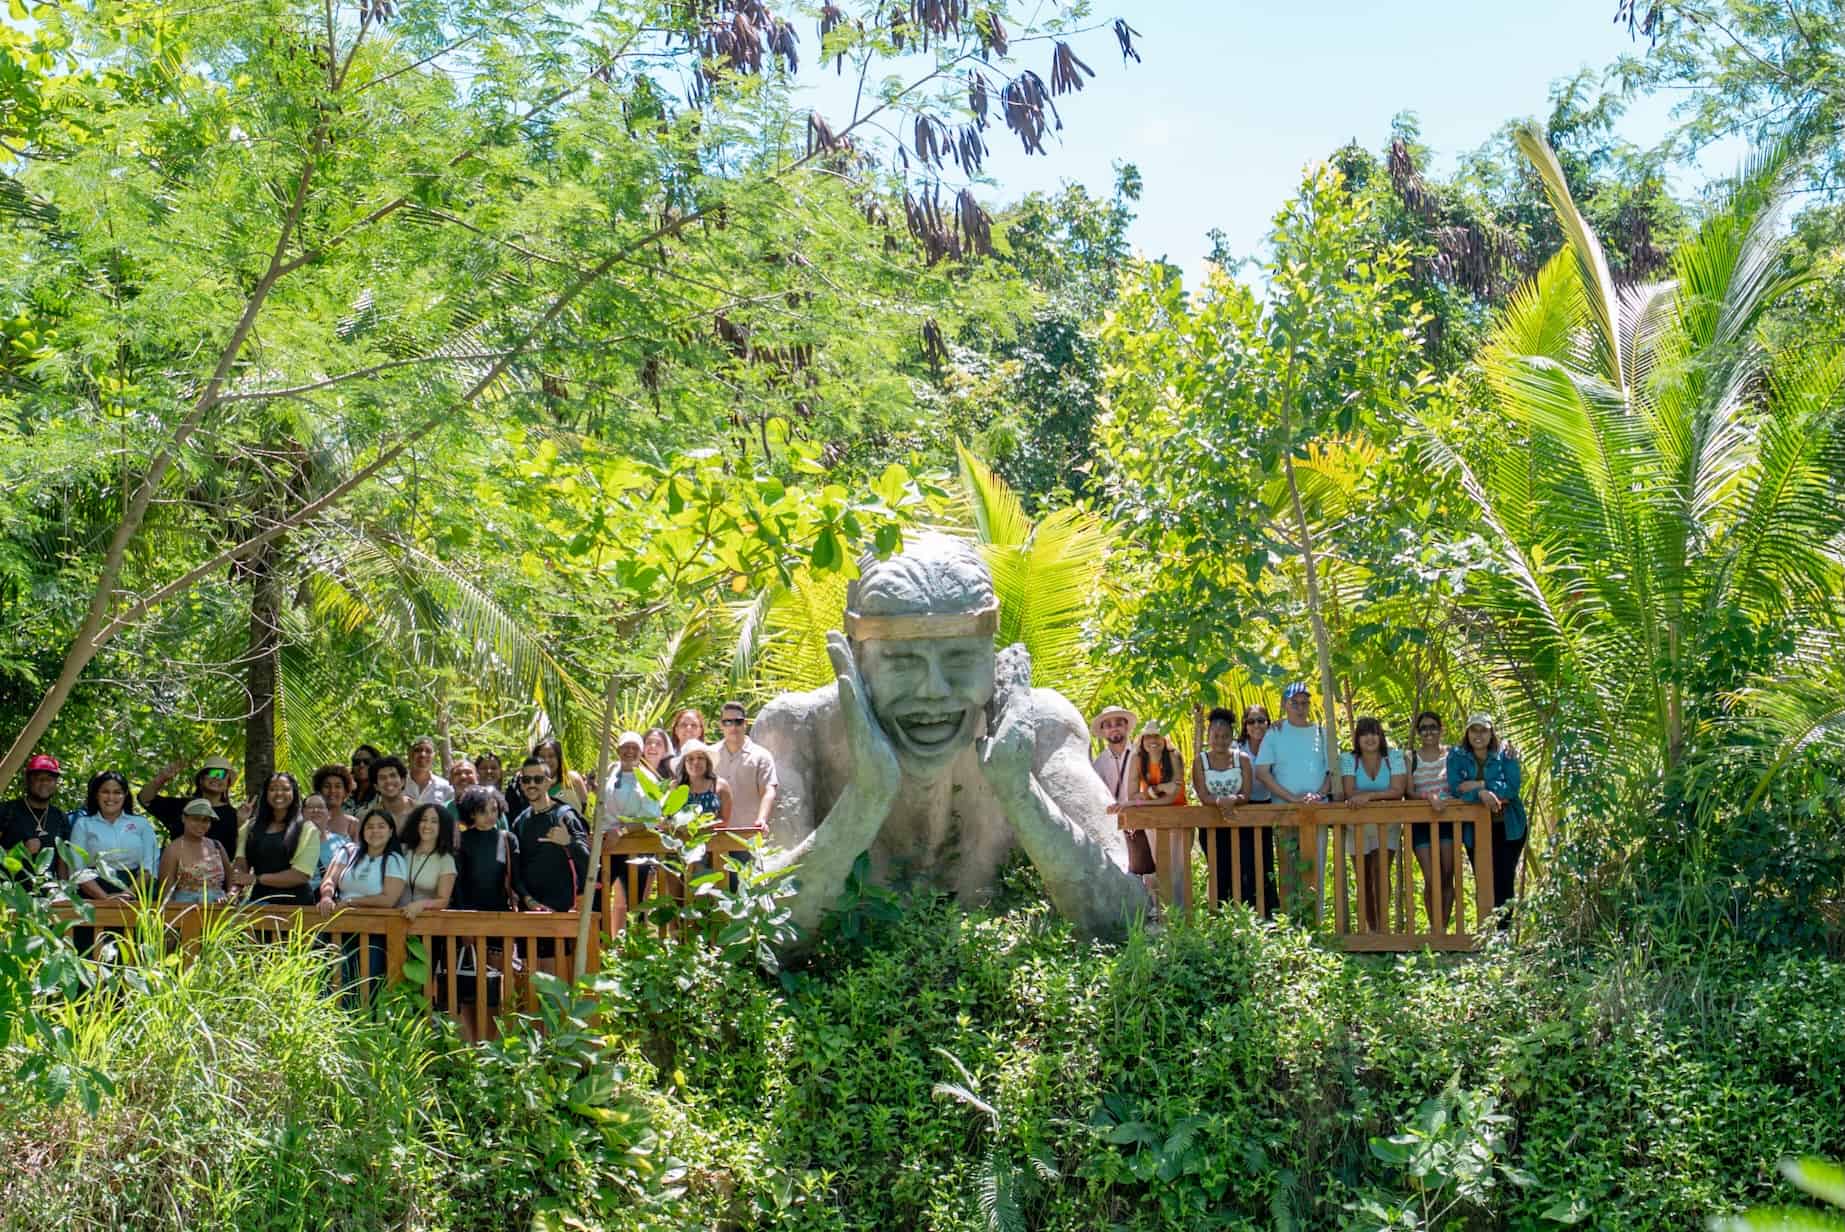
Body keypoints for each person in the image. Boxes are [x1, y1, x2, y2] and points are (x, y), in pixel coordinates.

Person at [753, 533, 1147, 945]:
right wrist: (863, 804)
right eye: (902, 661)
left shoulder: (1041, 727)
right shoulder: (797, 728)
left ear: (991, 654)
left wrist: (1020, 795)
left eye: (960, 658)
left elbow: (1125, 919)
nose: (935, 690)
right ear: (854, 657)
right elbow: (766, 936)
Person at [1253, 682, 1333, 907]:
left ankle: (1315, 924)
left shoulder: (1321, 733)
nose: (1300, 707)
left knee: (1316, 867)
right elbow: (1262, 772)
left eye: (1304, 703)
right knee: (1288, 869)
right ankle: (1290, 925)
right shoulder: (1275, 733)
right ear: (1285, 705)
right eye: (1294, 703)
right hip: (1285, 811)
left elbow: (1331, 771)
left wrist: (1318, 795)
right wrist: (1291, 798)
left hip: (1316, 811)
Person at [450, 786, 520, 1040]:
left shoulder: (506, 838)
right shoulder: (462, 840)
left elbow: (516, 880)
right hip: (469, 919)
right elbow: (457, 885)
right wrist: (465, 919)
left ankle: (494, 1041)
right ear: (471, 813)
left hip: (499, 919)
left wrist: (531, 901)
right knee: (468, 984)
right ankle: (471, 1042)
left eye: (493, 809)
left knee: (497, 985)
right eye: (482, 811)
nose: (489, 815)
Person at [317, 807, 407, 999]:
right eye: (370, 826)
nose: (375, 831)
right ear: (362, 830)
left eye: (381, 826)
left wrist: (351, 902)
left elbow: (388, 899)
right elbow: (329, 880)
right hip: (339, 927)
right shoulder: (349, 851)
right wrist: (326, 896)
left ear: (391, 831)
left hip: (374, 932)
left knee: (365, 985)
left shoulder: (395, 860)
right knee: (332, 983)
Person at [1447, 714, 1526, 927]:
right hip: (1476, 828)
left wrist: (1477, 785)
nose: (1478, 735)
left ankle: (1503, 933)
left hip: (1508, 826)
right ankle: (1487, 932)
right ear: (1467, 733)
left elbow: (1511, 789)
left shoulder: (1505, 754)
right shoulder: (1456, 756)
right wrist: (1483, 794)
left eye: (1483, 730)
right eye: (1474, 730)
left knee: (1504, 879)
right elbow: (1456, 788)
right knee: (1483, 879)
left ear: (1491, 733)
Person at [1340, 716, 1408, 932]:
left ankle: (1383, 926)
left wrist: (1368, 797)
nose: (1370, 738)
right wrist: (1381, 794)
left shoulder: (1394, 757)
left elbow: (1398, 792)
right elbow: (1349, 791)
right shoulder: (1349, 759)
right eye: (1364, 733)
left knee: (1380, 872)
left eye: (1374, 733)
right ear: (1357, 738)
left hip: (1386, 825)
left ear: (1381, 736)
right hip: (1357, 827)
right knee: (1363, 876)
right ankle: (1372, 929)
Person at [1192, 707, 1260, 908]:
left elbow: (1246, 794)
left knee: (1246, 870)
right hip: (1212, 825)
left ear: (1232, 737)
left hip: (1242, 824)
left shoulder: (1243, 759)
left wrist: (1232, 800)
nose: (1220, 741)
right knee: (1219, 872)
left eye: (1225, 736)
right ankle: (1220, 920)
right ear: (1208, 736)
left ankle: (1248, 917)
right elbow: (1203, 795)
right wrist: (1221, 802)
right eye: (1216, 736)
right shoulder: (1200, 761)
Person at [1108, 720, 1185, 890]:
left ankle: (1181, 914)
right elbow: (1132, 794)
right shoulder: (1137, 759)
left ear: (1164, 738)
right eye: (1147, 736)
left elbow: (1171, 799)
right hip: (1152, 820)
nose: (1153, 741)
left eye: (1157, 736)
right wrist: (1159, 788)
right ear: (1142, 740)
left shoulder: (1174, 756)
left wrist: (1145, 797)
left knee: (1179, 870)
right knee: (1161, 867)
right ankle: (1163, 913)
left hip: (1179, 819)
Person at [508, 757, 590, 915]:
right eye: (526, 780)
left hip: (564, 913)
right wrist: (527, 899)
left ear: (548, 782)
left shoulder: (565, 816)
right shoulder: (520, 822)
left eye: (538, 779)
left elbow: (588, 863)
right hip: (531, 912)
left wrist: (568, 842)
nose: (532, 784)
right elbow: (515, 870)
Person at [69, 771, 161, 901]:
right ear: (96, 795)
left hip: (137, 891)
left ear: (125, 795)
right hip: (93, 893)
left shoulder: (141, 824)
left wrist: (127, 894)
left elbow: (150, 867)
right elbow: (77, 869)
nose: (111, 797)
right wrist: (104, 897)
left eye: (117, 792)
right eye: (105, 792)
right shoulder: (83, 824)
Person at [231, 772, 318, 905]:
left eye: (285, 789)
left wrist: (256, 879)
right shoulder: (250, 827)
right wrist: (234, 891)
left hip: (296, 906)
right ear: (265, 794)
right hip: (258, 903)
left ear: (294, 793)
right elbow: (241, 866)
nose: (279, 793)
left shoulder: (308, 828)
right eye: (273, 789)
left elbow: (301, 875)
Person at [1407, 711, 1459, 929]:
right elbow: (1408, 792)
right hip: (1421, 824)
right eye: (1423, 728)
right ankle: (1434, 928)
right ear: (1418, 733)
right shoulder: (1411, 758)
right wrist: (1429, 797)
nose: (1428, 732)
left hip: (1448, 822)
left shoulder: (1452, 755)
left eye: (1433, 727)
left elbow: (1460, 782)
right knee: (1431, 877)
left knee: (1447, 875)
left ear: (1441, 729)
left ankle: (1443, 930)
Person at [137, 755, 239, 854]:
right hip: (176, 867)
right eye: (213, 773)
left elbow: (233, 852)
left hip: (215, 869)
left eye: (222, 774)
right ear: (201, 779)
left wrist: (241, 824)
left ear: (228, 783)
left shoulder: (234, 815)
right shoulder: (180, 806)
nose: (217, 778)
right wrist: (161, 778)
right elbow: (145, 799)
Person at [1, 754, 71, 874]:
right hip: (10, 889)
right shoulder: (7, 811)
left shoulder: (60, 817)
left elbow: (62, 862)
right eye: (38, 778)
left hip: (47, 890)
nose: (44, 783)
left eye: (49, 779)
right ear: (28, 780)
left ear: (56, 783)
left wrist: (64, 890)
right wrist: (20, 851)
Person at [714, 701, 777, 830]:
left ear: (745, 724)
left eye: (738, 721)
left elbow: (768, 791)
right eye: (727, 722)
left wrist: (762, 819)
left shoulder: (761, 756)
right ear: (721, 725)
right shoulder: (709, 755)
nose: (733, 727)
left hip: (747, 834)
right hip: (713, 835)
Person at [159, 798, 236, 905]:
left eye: (205, 820)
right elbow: (166, 892)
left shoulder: (217, 846)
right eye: (195, 819)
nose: (200, 824)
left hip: (218, 906)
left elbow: (231, 877)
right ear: (184, 818)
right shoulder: (173, 849)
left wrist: (231, 895)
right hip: (185, 908)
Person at [398, 804, 456, 919]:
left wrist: (422, 905)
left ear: (442, 827)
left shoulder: (446, 860)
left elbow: (443, 901)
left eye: (434, 821)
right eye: (423, 820)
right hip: (393, 918)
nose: (427, 825)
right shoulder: (402, 850)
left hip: (425, 925)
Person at [600, 732, 663, 827]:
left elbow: (651, 817)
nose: (630, 751)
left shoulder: (648, 780)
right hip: (606, 836)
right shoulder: (611, 770)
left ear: (641, 753)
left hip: (635, 838)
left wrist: (622, 832)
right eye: (626, 746)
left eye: (635, 748)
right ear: (618, 750)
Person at [673, 739, 732, 822]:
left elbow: (724, 821)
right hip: (680, 834)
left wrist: (700, 827)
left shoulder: (721, 785)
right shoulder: (675, 786)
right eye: (690, 759)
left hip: (712, 834)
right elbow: (668, 817)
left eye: (700, 758)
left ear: (707, 762)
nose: (696, 762)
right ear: (684, 764)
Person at [303, 791, 355, 884]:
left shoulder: (344, 844)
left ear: (329, 814)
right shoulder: (292, 844)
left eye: (320, 807)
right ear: (302, 813)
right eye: (310, 807)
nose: (316, 810)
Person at [1089, 705, 1137, 804]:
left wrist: (1136, 803)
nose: (1114, 728)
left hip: (1140, 812)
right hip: (1113, 817)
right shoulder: (1099, 764)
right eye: (1108, 726)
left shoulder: (1140, 754)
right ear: (1103, 731)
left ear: (1126, 726)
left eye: (1118, 724)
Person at [531, 737, 589, 813]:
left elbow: (584, 807)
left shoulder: (572, 779)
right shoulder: (531, 785)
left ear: (559, 759)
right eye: (542, 757)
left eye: (551, 756)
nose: (546, 760)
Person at [405, 736, 454, 807]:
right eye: (418, 750)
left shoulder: (446, 788)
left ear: (434, 756)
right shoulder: (398, 785)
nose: (423, 755)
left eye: (428, 751)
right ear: (410, 754)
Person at [367, 756, 415, 827]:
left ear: (403, 781)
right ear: (376, 786)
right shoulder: (368, 817)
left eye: (393, 775)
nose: (388, 781)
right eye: (382, 778)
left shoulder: (420, 811)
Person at [348, 744, 382, 814]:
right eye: (357, 762)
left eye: (367, 762)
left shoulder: (382, 795)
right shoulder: (345, 794)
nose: (361, 765)